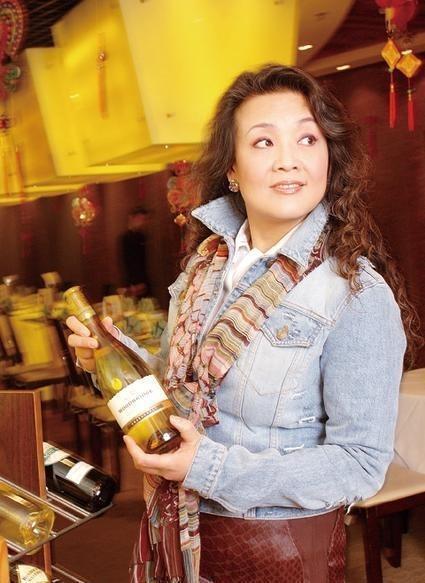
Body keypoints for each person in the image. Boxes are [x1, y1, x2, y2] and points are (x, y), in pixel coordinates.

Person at [67, 64, 420, 583]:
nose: (288, 160)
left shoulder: (355, 293)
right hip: (179, 534)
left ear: (329, 157)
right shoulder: (205, 267)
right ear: (232, 167)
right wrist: (104, 356)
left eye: (307, 139)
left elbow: (360, 465)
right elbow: (178, 389)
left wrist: (206, 468)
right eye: (263, 142)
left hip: (275, 552)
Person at [119, 206, 150, 298]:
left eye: (144, 220)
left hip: (143, 281)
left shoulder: (142, 236)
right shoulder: (126, 238)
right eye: (140, 219)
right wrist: (132, 284)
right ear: (131, 218)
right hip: (132, 283)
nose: (142, 222)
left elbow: (143, 262)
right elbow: (126, 262)